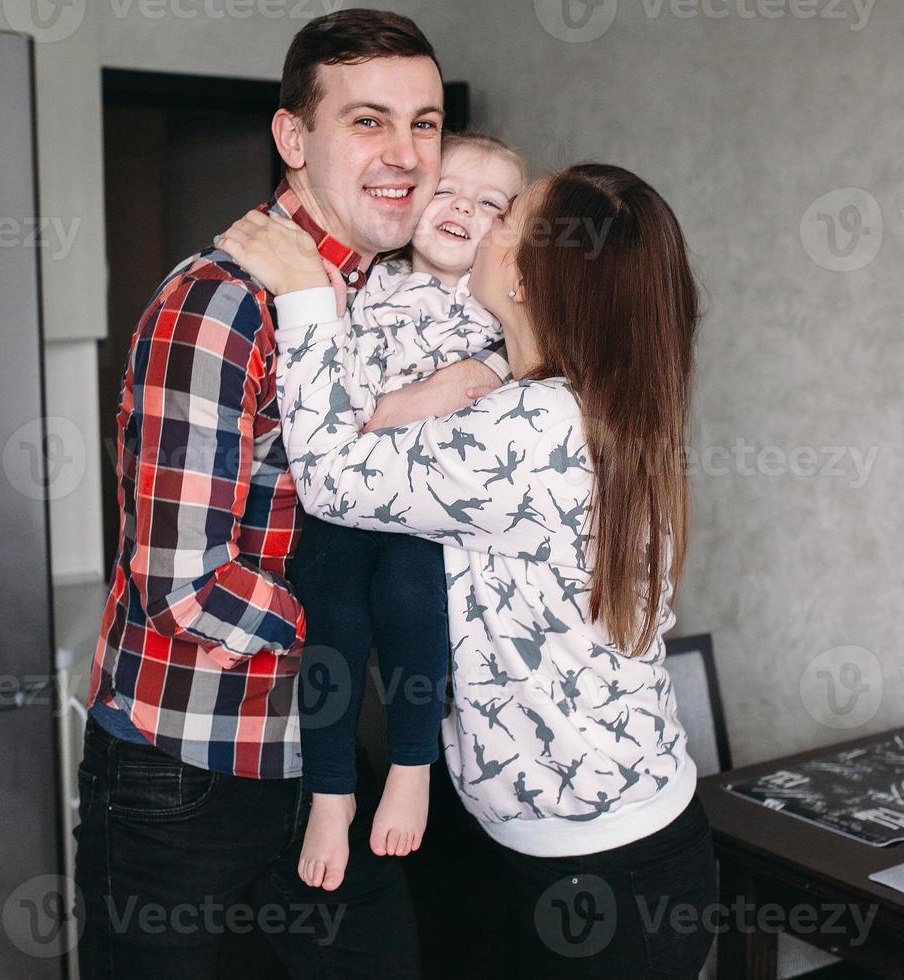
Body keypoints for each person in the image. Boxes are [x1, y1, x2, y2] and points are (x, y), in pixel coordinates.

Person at [74, 9, 503, 979]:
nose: (405, 153)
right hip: (185, 766)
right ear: (293, 137)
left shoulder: (390, 300)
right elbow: (184, 588)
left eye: (425, 123)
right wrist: (378, 638)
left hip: (318, 759)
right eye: (368, 121)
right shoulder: (220, 305)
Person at [218, 162, 719, 977]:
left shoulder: (533, 424)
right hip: (615, 846)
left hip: (596, 881)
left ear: (523, 274)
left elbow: (334, 480)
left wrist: (307, 292)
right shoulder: (594, 401)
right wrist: (477, 370)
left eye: (509, 212)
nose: (483, 222)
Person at [279, 130, 527, 891]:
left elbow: (498, 400)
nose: (462, 210)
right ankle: (329, 790)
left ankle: (413, 765)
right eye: (448, 189)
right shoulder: (358, 285)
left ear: (509, 234)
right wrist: (415, 403)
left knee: (415, 600)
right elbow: (326, 414)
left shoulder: (499, 320)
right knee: (335, 617)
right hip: (344, 502)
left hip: (424, 516)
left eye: (491, 205)